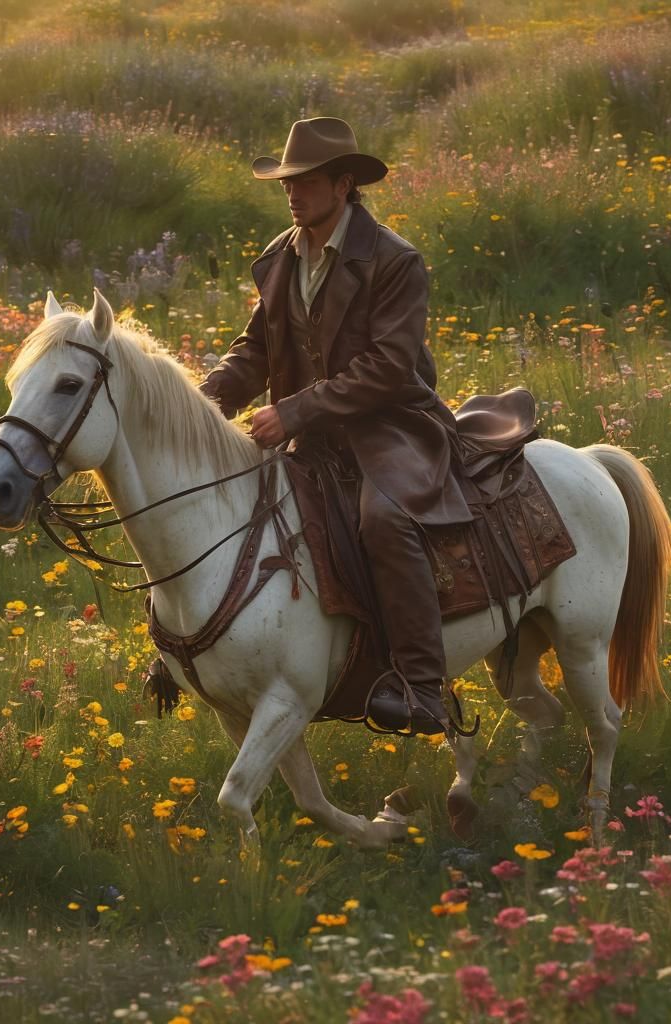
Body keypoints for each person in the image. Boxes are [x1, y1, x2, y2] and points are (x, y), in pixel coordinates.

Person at [200, 117, 472, 735]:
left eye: (307, 182)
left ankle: (424, 687)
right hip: (317, 435)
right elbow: (255, 352)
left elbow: (388, 366)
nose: (292, 193)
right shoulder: (278, 257)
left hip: (393, 425)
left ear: (344, 185)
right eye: (287, 183)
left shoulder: (395, 261)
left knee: (384, 519)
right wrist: (198, 404)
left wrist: (293, 411)